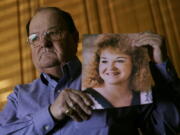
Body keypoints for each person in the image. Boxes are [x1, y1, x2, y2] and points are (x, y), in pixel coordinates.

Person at [0, 6, 179, 135]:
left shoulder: (116, 74)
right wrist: (51, 113)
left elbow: (168, 126)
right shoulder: (19, 97)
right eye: (34, 37)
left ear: (74, 37)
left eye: (53, 33)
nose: (44, 43)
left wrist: (160, 67)